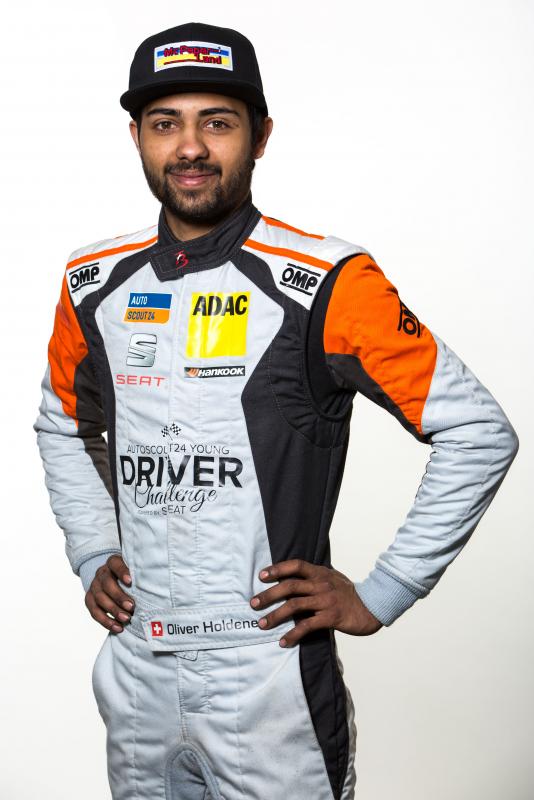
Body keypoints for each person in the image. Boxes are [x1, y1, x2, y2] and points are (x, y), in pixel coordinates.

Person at [34, 21, 519, 800]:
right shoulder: (92, 282)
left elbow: (477, 432)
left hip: (267, 682)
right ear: (137, 137)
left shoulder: (329, 280)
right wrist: (94, 550)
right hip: (136, 673)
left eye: (217, 123)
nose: (190, 147)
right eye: (165, 124)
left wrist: (385, 590)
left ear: (260, 137)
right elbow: (63, 421)